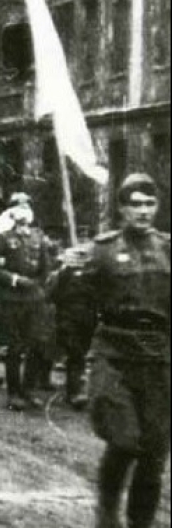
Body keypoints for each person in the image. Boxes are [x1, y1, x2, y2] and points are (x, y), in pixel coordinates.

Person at [84, 174, 170, 528]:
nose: (143, 211)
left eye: (149, 204)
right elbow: (79, 304)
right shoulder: (102, 250)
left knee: (154, 449)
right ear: (121, 208)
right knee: (123, 439)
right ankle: (106, 512)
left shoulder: (168, 248)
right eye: (135, 204)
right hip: (115, 354)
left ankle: (141, 522)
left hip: (159, 357)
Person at [0, 194, 51, 411]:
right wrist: (14, 280)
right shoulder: (3, 238)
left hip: (34, 299)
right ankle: (14, 393)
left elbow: (46, 268)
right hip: (12, 299)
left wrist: (38, 285)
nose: (24, 210)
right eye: (19, 206)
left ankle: (29, 390)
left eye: (27, 205)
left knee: (35, 344)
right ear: (11, 213)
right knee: (14, 348)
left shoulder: (39, 238)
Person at [45, 228, 96, 410]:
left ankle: (74, 389)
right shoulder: (63, 274)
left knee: (80, 352)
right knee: (75, 353)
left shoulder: (93, 273)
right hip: (67, 318)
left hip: (88, 319)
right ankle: (75, 392)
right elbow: (51, 294)